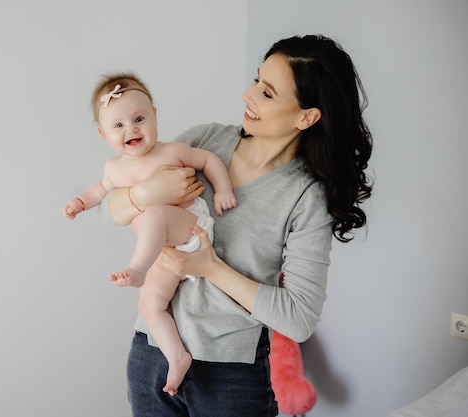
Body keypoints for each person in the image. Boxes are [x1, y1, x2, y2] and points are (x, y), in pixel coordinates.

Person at [99, 35, 373, 416]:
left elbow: (298, 319)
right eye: (256, 80)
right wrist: (143, 194)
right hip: (150, 354)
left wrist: (209, 268)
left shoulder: (305, 199)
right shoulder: (206, 140)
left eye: (267, 93)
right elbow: (108, 211)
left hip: (229, 378)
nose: (248, 95)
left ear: (306, 116)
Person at [63, 73, 237, 395]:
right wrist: (79, 203)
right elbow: (99, 192)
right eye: (118, 126)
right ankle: (176, 356)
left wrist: (223, 189)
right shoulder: (114, 169)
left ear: (155, 115)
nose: (131, 129)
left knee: (153, 214)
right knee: (150, 305)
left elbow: (209, 159)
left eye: (139, 118)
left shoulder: (172, 151)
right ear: (104, 134)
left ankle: (136, 269)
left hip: (189, 228)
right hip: (162, 251)